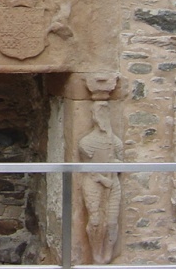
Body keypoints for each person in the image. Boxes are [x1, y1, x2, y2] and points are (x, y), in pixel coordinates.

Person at [78, 101, 123, 264]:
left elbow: (121, 163)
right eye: (100, 114)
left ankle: (107, 254)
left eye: (106, 113)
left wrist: (116, 165)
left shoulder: (116, 142)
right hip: (94, 182)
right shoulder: (87, 143)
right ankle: (96, 254)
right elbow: (88, 168)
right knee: (96, 221)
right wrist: (103, 179)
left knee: (111, 222)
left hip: (113, 183)